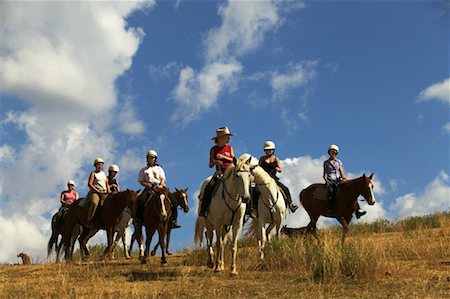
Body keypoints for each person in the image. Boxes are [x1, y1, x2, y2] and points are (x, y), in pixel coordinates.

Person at [250, 141, 298, 218]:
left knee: (285, 189)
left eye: (270, 150)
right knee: (254, 190)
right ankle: (253, 208)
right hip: (262, 180)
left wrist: (277, 168)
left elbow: (280, 169)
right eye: (266, 150)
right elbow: (258, 168)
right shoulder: (262, 159)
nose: (268, 151)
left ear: (273, 150)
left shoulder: (276, 159)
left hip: (273, 180)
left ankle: (291, 204)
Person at [135, 150, 180, 228]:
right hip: (150, 187)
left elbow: (162, 178)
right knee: (141, 200)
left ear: (155, 159)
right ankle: (138, 219)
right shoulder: (143, 170)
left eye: (153, 158)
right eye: (150, 158)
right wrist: (148, 184)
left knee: (174, 202)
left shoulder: (159, 168)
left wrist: (161, 185)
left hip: (161, 187)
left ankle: (173, 221)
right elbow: (141, 181)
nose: (151, 159)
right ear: (147, 159)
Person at [199, 126, 236, 217]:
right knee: (210, 186)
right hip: (220, 172)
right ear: (221, 138)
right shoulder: (213, 149)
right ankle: (203, 210)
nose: (229, 138)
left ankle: (247, 210)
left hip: (230, 171)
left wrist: (223, 157)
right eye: (227, 136)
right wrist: (215, 162)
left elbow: (234, 159)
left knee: (243, 182)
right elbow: (210, 165)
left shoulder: (230, 148)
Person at [323, 144, 366, 219]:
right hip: (331, 181)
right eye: (331, 152)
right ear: (329, 153)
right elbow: (324, 175)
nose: (333, 153)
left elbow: (341, 171)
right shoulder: (326, 162)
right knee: (331, 192)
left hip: (338, 180)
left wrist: (343, 178)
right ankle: (331, 208)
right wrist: (326, 180)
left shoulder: (338, 162)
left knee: (351, 191)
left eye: (334, 152)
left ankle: (358, 210)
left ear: (336, 153)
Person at [86, 157, 110, 228]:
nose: (100, 166)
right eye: (98, 165)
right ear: (95, 165)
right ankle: (89, 220)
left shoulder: (104, 174)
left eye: (101, 165)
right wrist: (96, 190)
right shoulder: (93, 173)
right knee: (94, 203)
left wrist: (109, 192)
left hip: (104, 192)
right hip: (95, 192)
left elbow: (107, 184)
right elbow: (89, 184)